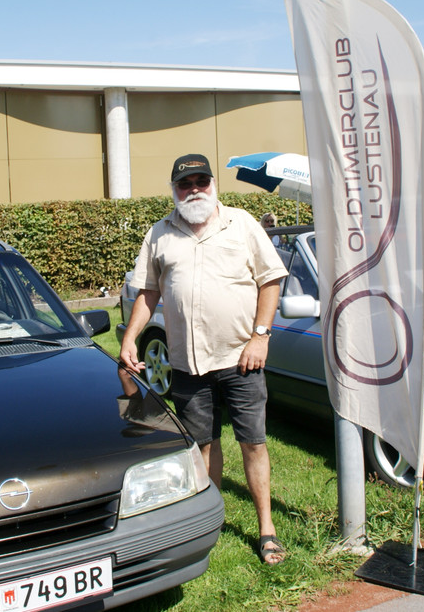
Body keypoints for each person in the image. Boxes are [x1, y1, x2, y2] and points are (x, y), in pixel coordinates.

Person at [119, 154, 289, 565]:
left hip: (242, 359)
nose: (194, 189)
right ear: (174, 190)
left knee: (253, 444)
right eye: (185, 183)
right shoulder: (160, 234)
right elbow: (148, 292)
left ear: (214, 185)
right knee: (202, 447)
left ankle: (267, 529)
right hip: (188, 365)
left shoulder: (241, 224)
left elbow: (271, 279)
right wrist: (129, 337)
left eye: (201, 181)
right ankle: (212, 518)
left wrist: (260, 337)